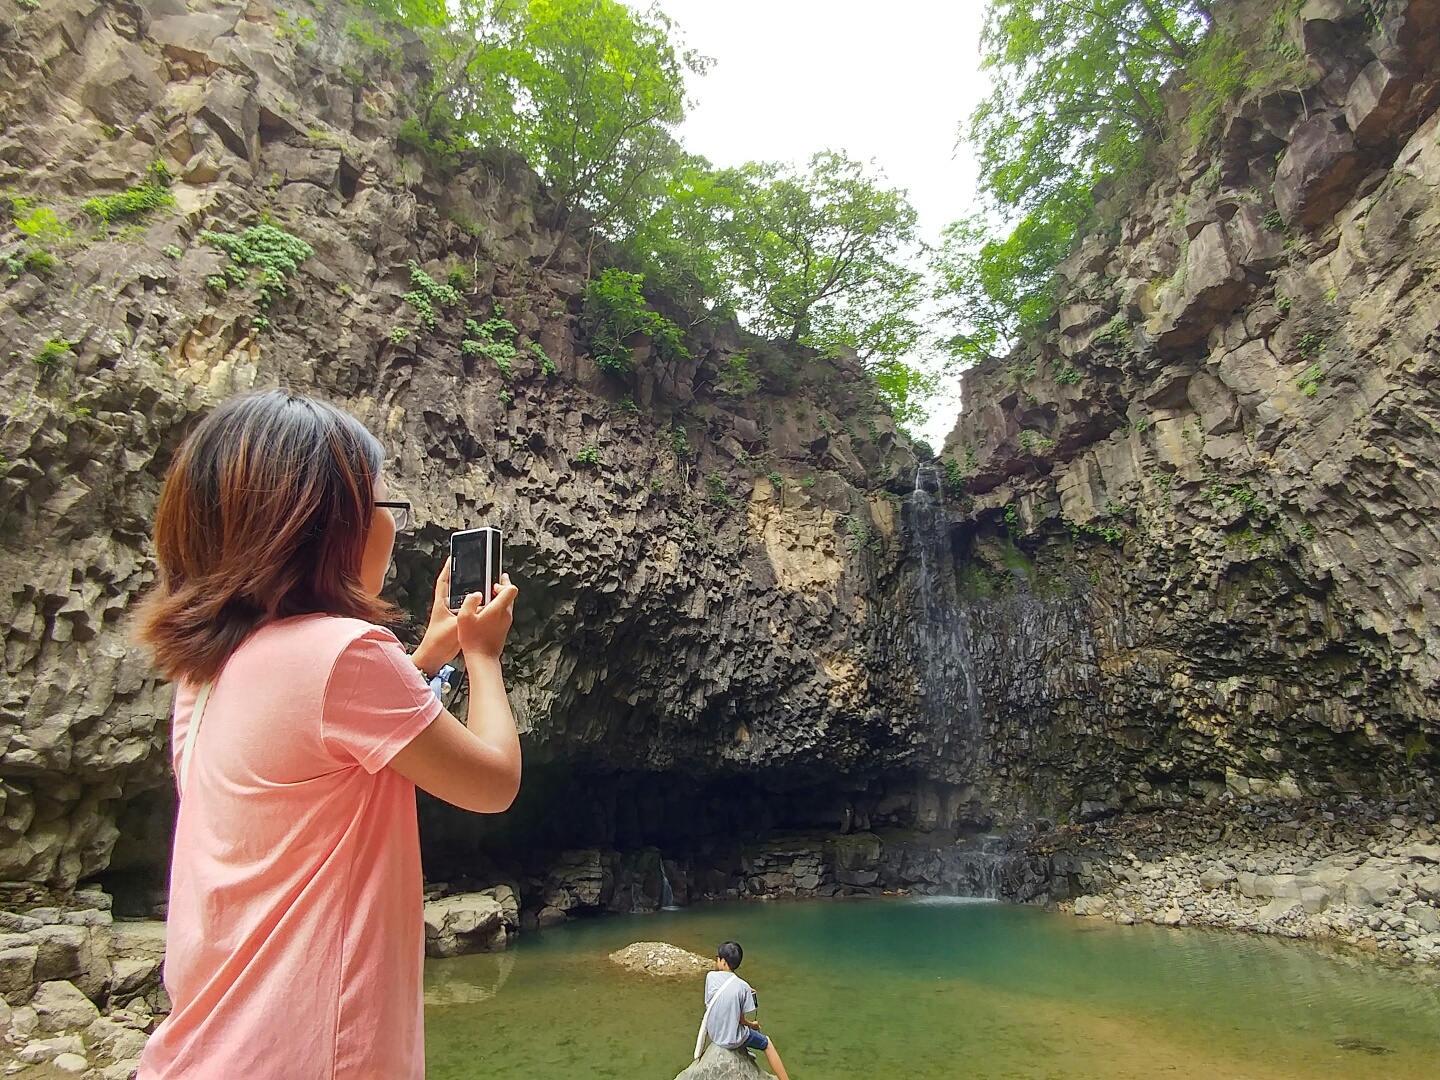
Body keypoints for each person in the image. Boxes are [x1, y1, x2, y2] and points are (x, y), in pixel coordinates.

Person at [133, 389, 523, 1079]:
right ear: (331, 525)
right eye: (382, 506)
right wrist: (481, 656)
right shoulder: (344, 654)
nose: (390, 526)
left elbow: (316, 739)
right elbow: (493, 780)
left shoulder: (207, 676)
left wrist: (428, 654)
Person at [698, 941, 792, 1080]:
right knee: (767, 1043)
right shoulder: (743, 987)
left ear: (723, 962)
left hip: (714, 1034)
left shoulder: (710, 977)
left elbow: (711, 1003)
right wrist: (753, 1024)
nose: (716, 961)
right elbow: (741, 1020)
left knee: (740, 1030)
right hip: (730, 1039)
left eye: (718, 958)